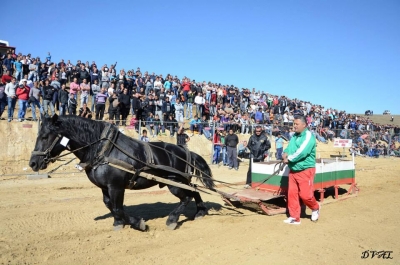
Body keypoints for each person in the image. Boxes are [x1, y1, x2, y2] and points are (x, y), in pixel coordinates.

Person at [282, 115, 320, 225]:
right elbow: (290, 147)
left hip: (305, 170)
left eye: (296, 124)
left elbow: (302, 152)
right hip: (293, 170)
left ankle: (315, 207)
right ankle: (294, 217)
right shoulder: (294, 136)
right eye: (294, 124)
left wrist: (288, 159)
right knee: (292, 195)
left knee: (305, 195)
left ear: (304, 125)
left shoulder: (308, 136)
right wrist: (285, 153)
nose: (294, 126)